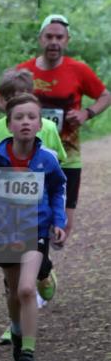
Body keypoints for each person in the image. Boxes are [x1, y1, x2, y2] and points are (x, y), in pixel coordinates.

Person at [0, 93, 67, 361]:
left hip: (36, 229)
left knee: (25, 289)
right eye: (19, 118)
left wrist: (59, 221)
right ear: (8, 125)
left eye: (31, 117)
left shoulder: (46, 160)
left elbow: (59, 189)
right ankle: (17, 330)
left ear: (40, 124)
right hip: (5, 231)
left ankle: (28, 357)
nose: (25, 122)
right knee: (12, 291)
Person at [14, 14, 110, 237]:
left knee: (63, 225)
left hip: (67, 155)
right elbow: (0, 98)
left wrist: (86, 113)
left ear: (67, 40)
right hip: (29, 156)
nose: (54, 42)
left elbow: (105, 96)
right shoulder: (24, 71)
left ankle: (39, 259)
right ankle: (36, 264)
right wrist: (17, 116)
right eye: (49, 36)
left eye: (59, 37)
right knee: (30, 219)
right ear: (41, 39)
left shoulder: (79, 70)